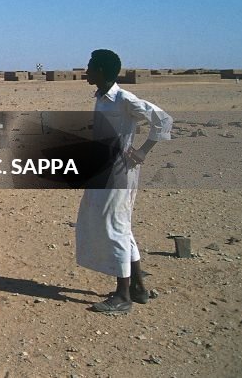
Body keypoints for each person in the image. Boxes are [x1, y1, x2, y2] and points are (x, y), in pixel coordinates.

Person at [76, 49, 173, 315]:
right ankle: (139, 288)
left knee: (115, 227)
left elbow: (163, 120)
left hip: (118, 172)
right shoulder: (102, 98)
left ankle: (122, 296)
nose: (86, 70)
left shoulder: (123, 98)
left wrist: (142, 151)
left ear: (102, 71)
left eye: (90, 66)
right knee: (119, 226)